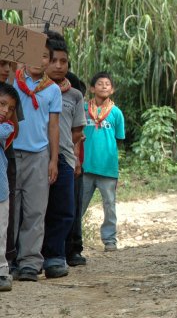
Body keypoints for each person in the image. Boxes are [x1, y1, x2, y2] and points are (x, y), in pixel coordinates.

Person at [12, 41, 62, 282]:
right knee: (10, 209)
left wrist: (54, 159)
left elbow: (53, 126)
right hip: (11, 153)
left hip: (39, 155)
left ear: (48, 62)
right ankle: (8, 259)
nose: (38, 60)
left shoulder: (52, 90)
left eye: (44, 57)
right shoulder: (12, 81)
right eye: (34, 54)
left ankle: (30, 262)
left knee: (35, 210)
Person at [42, 34, 86, 278]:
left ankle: (55, 256)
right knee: (37, 210)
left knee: (65, 209)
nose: (59, 65)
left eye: (64, 61)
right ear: (44, 60)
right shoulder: (32, 90)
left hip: (65, 160)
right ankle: (30, 256)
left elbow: (77, 132)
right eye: (54, 60)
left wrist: (76, 159)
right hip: (38, 156)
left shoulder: (75, 95)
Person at [80, 72, 125, 252]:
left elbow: (119, 139)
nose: (104, 86)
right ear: (92, 88)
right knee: (79, 205)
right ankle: (73, 239)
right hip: (86, 166)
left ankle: (109, 240)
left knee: (109, 206)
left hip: (107, 168)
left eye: (107, 84)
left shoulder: (116, 113)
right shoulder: (83, 109)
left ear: (112, 90)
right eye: (100, 83)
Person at [0, 60, 23, 278]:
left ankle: (5, 264)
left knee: (4, 218)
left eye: (9, 65)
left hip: (4, 164)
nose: (6, 69)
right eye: (1, 64)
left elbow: (13, 125)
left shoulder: (11, 93)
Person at [65, 71, 88, 266]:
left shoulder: (72, 84)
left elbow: (77, 132)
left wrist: (76, 159)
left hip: (70, 158)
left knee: (72, 205)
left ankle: (73, 248)